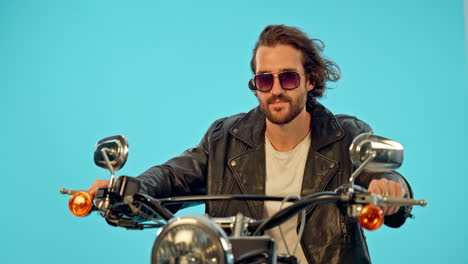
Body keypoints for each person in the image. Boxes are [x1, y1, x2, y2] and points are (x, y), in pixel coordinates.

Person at [88, 25, 413, 263]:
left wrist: (392, 189)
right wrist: (127, 189)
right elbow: (175, 176)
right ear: (255, 85)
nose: (275, 90)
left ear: (310, 80)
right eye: (264, 79)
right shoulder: (225, 138)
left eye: (288, 78)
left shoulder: (346, 135)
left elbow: (377, 175)